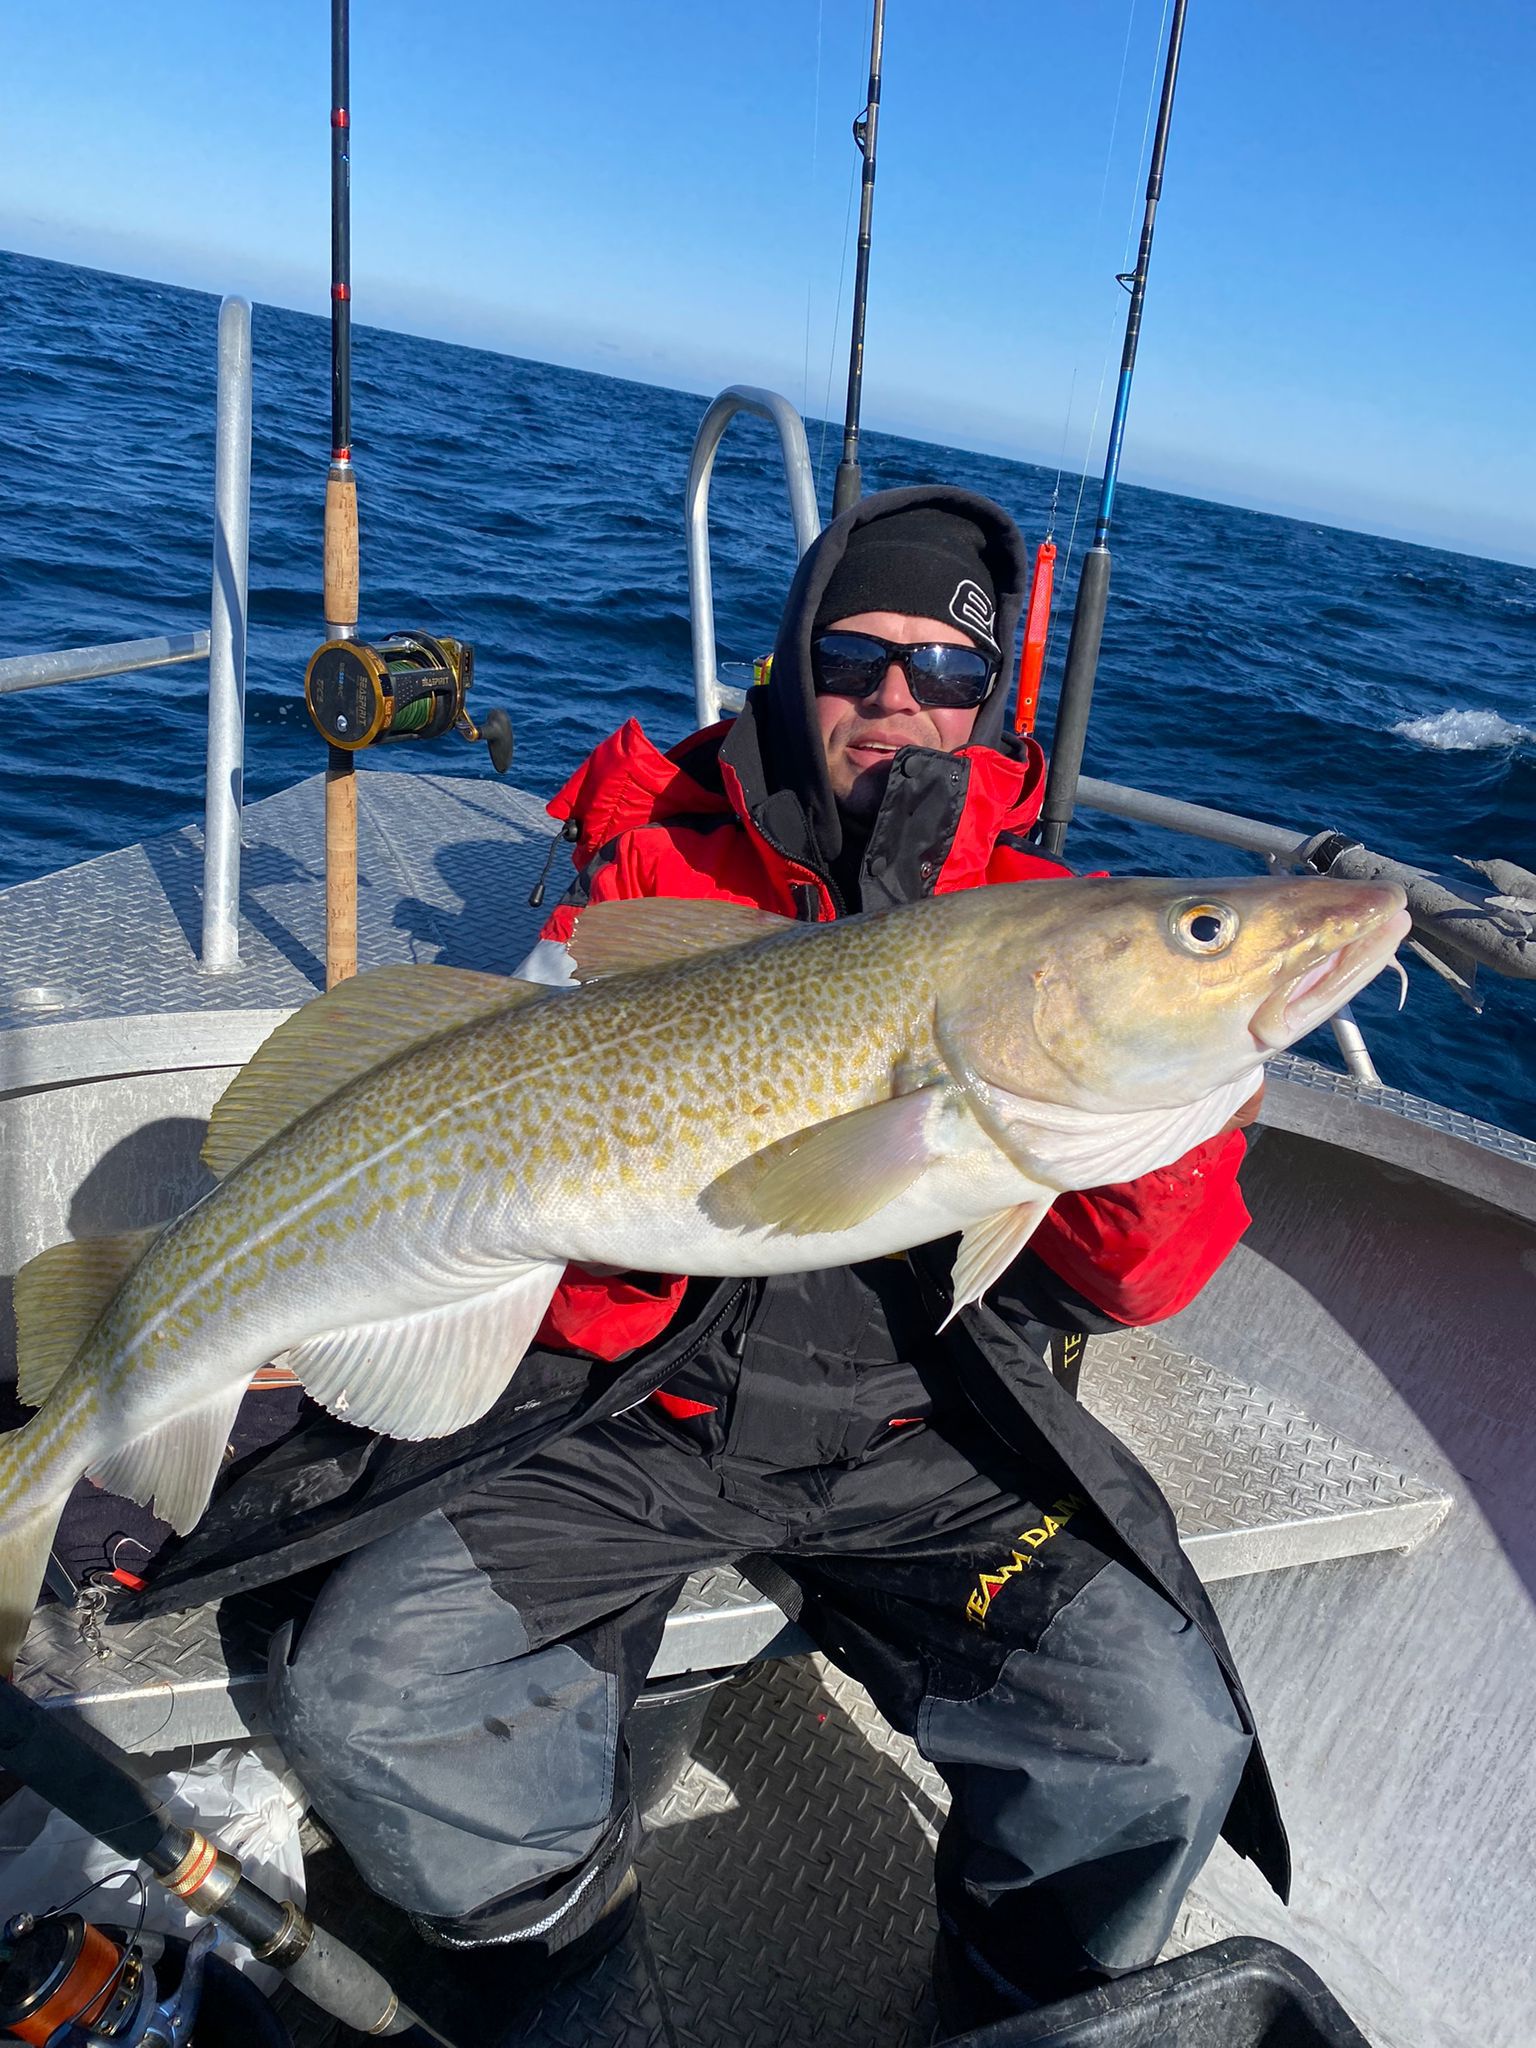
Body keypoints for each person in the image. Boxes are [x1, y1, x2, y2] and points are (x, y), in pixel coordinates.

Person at [139, 486, 1286, 2030]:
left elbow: (1132, 1283)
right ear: (793, 661)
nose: (898, 699)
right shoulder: (647, 870)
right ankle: (561, 1936)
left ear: (989, 696)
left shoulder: (1051, 927)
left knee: (1160, 1740)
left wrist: (1183, 1101)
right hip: (640, 1420)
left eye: (948, 670)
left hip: (923, 1430)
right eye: (854, 658)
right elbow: (516, 1148)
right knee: (367, 1697)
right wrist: (557, 1230)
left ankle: (1021, 2002)